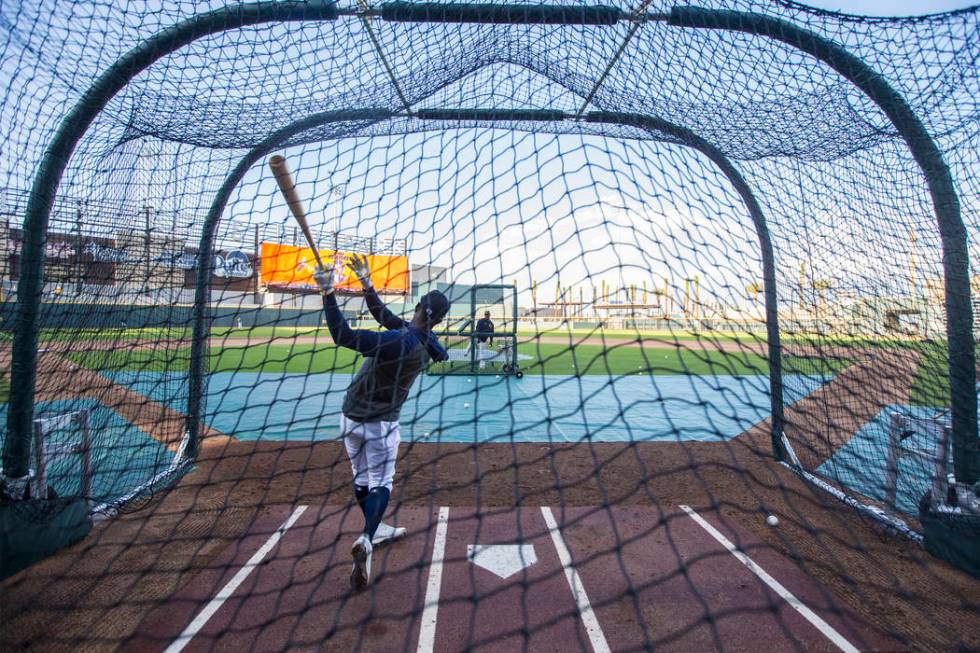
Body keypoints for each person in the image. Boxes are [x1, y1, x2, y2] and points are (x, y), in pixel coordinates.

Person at [314, 253, 450, 591]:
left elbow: (343, 336)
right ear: (439, 320)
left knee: (362, 478)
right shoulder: (426, 343)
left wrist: (328, 293)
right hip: (382, 426)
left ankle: (372, 530)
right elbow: (385, 316)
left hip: (349, 418)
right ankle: (368, 535)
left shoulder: (397, 340)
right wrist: (367, 284)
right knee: (382, 483)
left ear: (418, 305)